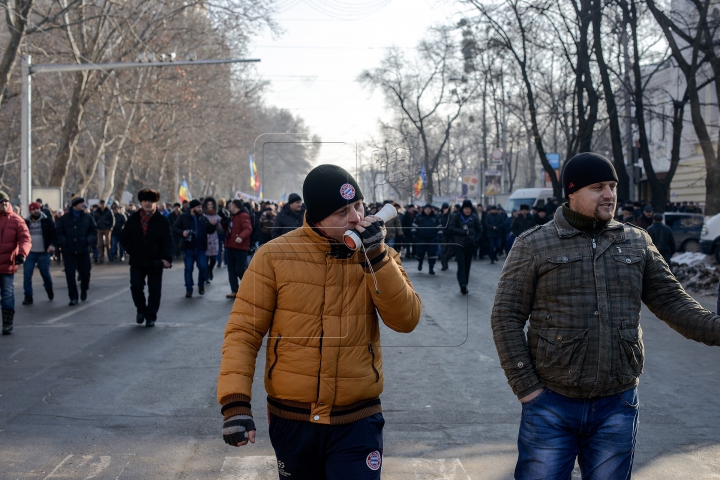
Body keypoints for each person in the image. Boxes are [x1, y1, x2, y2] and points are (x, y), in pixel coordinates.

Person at [491, 152, 720, 479]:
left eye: (611, 186)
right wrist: (527, 387)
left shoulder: (636, 242)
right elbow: (505, 316)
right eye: (598, 187)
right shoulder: (534, 244)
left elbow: (676, 304)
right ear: (571, 192)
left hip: (617, 403)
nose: (610, 194)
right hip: (551, 404)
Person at [217, 164, 422, 479]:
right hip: (292, 419)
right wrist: (235, 404)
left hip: (358, 419)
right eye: (342, 212)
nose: (356, 217)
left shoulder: (382, 256)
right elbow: (243, 333)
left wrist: (377, 258)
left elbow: (406, 319)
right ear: (316, 218)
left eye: (358, 205)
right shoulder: (273, 258)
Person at [119, 189, 173, 327]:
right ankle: (141, 310)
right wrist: (132, 250)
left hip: (156, 261)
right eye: (145, 201)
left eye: (151, 201)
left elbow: (168, 240)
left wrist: (167, 258)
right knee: (136, 287)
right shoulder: (133, 218)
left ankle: (151, 316)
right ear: (141, 202)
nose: (148, 204)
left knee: (154, 290)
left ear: (156, 203)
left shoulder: (162, 221)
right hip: (137, 260)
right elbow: (124, 237)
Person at [56, 196, 97, 306]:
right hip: (69, 250)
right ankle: (73, 297)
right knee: (70, 275)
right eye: (81, 203)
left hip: (83, 249)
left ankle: (84, 288)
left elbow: (93, 231)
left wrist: (87, 241)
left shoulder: (87, 217)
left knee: (86, 273)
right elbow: (59, 232)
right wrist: (65, 242)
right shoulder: (65, 218)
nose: (83, 205)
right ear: (75, 205)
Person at [0, 192, 31, 334]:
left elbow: (25, 238)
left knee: (7, 294)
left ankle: (7, 323)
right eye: (0, 202)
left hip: (7, 265)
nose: (3, 204)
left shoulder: (16, 220)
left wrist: (22, 254)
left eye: (5, 201)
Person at [172, 199, 217, 298]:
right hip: (188, 248)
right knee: (188, 269)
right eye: (198, 207)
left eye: (200, 207)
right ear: (192, 208)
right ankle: (189, 289)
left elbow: (209, 230)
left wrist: (213, 225)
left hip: (200, 249)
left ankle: (201, 285)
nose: (200, 209)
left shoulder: (203, 218)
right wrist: (182, 232)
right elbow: (174, 228)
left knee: (203, 267)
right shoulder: (184, 217)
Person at [22, 202, 57, 305]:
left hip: (43, 252)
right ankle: (28, 296)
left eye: (38, 209)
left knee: (45, 274)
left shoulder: (47, 221)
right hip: (30, 253)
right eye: (34, 209)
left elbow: (54, 235)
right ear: (30, 211)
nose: (36, 211)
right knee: (27, 275)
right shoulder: (26, 223)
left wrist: (52, 245)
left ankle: (49, 288)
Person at [447, 200, 482, 294]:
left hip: (470, 244)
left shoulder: (474, 217)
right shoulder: (456, 216)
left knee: (467, 265)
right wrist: (462, 231)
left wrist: (476, 240)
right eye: (466, 209)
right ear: (463, 209)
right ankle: (462, 284)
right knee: (461, 265)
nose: (467, 210)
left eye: (469, 209)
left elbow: (480, 230)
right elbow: (451, 228)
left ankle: (465, 283)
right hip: (459, 244)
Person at [224, 199, 253, 298]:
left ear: (235, 206)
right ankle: (234, 290)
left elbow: (248, 228)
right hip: (230, 245)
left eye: (231, 205)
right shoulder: (232, 217)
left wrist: (241, 237)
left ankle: (250, 287)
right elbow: (228, 230)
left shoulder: (243, 216)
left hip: (240, 247)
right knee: (231, 270)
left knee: (240, 269)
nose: (229, 207)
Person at [412, 203, 441, 274]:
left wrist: (440, 233)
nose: (428, 210)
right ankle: (420, 262)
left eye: (429, 209)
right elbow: (414, 226)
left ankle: (431, 268)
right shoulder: (419, 217)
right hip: (421, 238)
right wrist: (413, 233)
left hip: (432, 239)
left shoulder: (435, 218)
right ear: (424, 209)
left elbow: (439, 227)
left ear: (431, 210)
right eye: (426, 209)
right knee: (419, 253)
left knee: (432, 254)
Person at [203, 197, 221, 282]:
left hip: (214, 239)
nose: (210, 206)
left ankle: (210, 270)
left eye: (211, 204)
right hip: (205, 239)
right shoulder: (203, 216)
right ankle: (206, 275)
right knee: (205, 260)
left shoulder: (217, 216)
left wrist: (221, 222)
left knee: (213, 259)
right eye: (208, 204)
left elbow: (220, 228)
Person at [93, 199, 114, 264]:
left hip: (107, 228)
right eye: (101, 204)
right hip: (99, 228)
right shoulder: (97, 211)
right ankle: (101, 258)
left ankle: (109, 254)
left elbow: (112, 219)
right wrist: (96, 226)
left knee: (107, 243)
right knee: (100, 244)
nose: (102, 205)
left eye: (103, 204)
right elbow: (95, 219)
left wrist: (111, 227)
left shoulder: (109, 211)